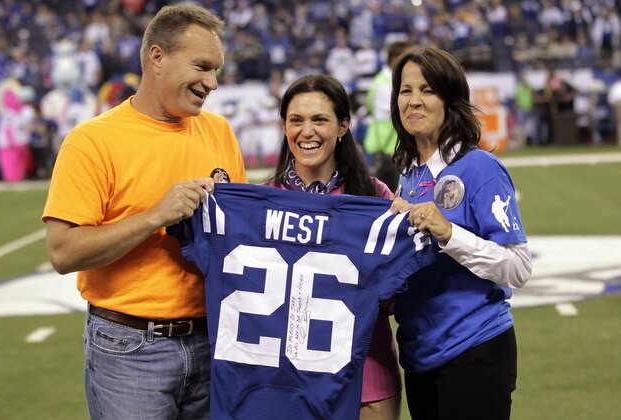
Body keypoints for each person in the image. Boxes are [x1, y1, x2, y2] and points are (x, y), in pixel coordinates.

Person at [41, 4, 247, 419]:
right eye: (202, 67)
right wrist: (156, 216)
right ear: (158, 57)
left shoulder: (219, 131)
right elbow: (63, 252)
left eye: (217, 71)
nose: (213, 83)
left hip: (213, 341)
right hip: (129, 348)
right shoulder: (92, 142)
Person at [388, 47, 532, 420]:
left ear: (451, 100)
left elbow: (518, 268)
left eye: (428, 90)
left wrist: (450, 233)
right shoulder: (408, 177)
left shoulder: (479, 167)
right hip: (418, 355)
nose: (414, 101)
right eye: (405, 91)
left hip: (475, 349)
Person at [265, 74, 402, 420]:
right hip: (284, 381)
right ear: (283, 126)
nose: (306, 131)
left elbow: (394, 298)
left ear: (343, 126)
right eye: (296, 120)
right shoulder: (260, 202)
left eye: (319, 120)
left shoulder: (375, 196)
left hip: (366, 375)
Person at [364, 40, 412, 191]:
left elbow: (370, 106)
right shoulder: (386, 84)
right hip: (389, 147)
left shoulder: (383, 80)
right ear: (395, 59)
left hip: (393, 146)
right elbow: (398, 113)